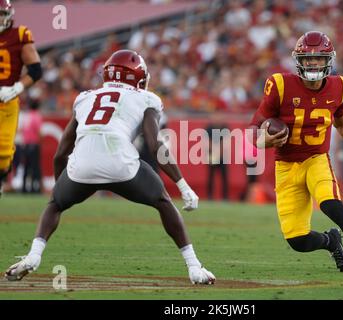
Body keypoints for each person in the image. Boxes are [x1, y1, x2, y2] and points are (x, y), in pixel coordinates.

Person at [5, 49, 215, 285]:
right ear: (138, 77)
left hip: (82, 166)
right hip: (121, 163)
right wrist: (183, 185)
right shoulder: (147, 99)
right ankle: (194, 267)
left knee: (54, 206)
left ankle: (34, 255)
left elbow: (61, 151)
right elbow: (155, 145)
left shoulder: (85, 97)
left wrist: (61, 190)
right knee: (163, 202)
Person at [249, 31, 343, 276]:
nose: (313, 63)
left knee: (331, 206)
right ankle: (331, 242)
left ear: (328, 60)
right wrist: (265, 141)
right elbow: (255, 127)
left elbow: (342, 120)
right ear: (298, 61)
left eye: (318, 58)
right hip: (285, 165)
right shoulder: (280, 85)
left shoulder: (340, 86)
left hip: (316, 159)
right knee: (297, 240)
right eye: (307, 59)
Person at [0, 0, 42, 197]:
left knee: (4, 155)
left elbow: (35, 69)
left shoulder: (19, 34)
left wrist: (17, 87)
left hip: (6, 102)